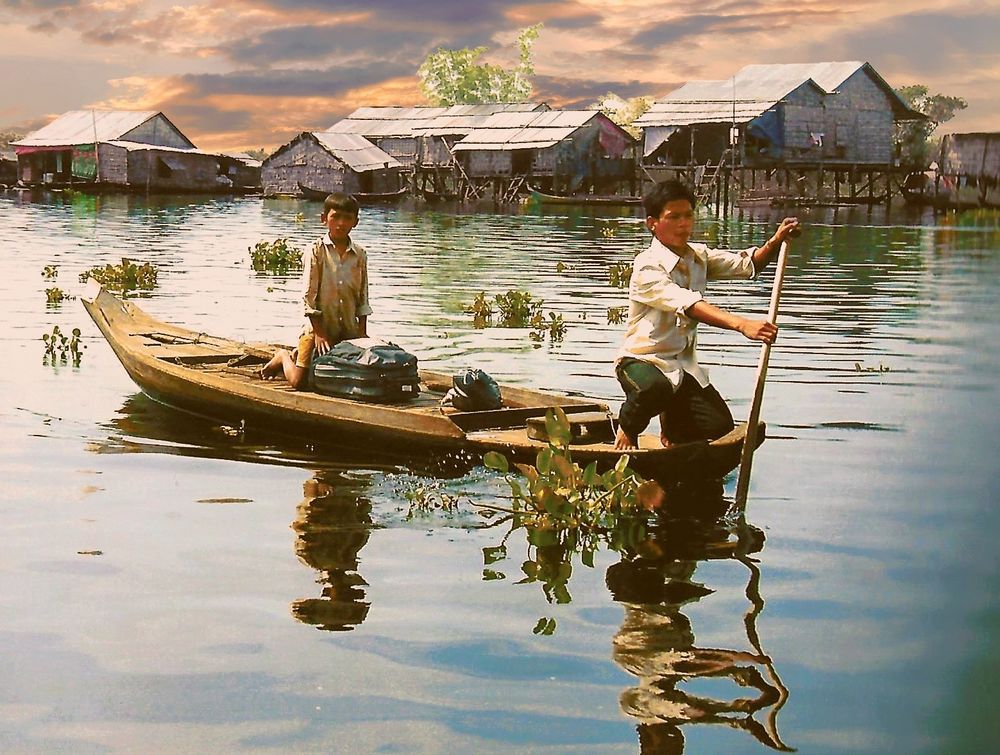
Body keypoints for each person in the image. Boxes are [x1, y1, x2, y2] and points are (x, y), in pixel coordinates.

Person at [614, 179, 800, 450]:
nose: (683, 223)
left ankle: (674, 435)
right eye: (673, 217)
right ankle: (627, 430)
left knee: (718, 426)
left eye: (688, 215)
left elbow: (747, 265)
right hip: (643, 361)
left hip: (681, 366)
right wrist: (741, 324)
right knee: (654, 390)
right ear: (653, 223)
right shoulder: (646, 267)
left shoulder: (698, 256)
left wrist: (775, 241)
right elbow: (689, 303)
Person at [261, 192, 372, 389]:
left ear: (356, 222)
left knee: (358, 378)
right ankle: (284, 357)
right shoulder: (315, 250)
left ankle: (298, 354)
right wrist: (319, 334)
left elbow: (363, 299)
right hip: (318, 329)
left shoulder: (360, 255)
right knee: (298, 382)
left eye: (347, 218)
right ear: (324, 219)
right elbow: (308, 298)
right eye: (335, 217)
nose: (341, 223)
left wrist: (361, 336)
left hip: (348, 330)